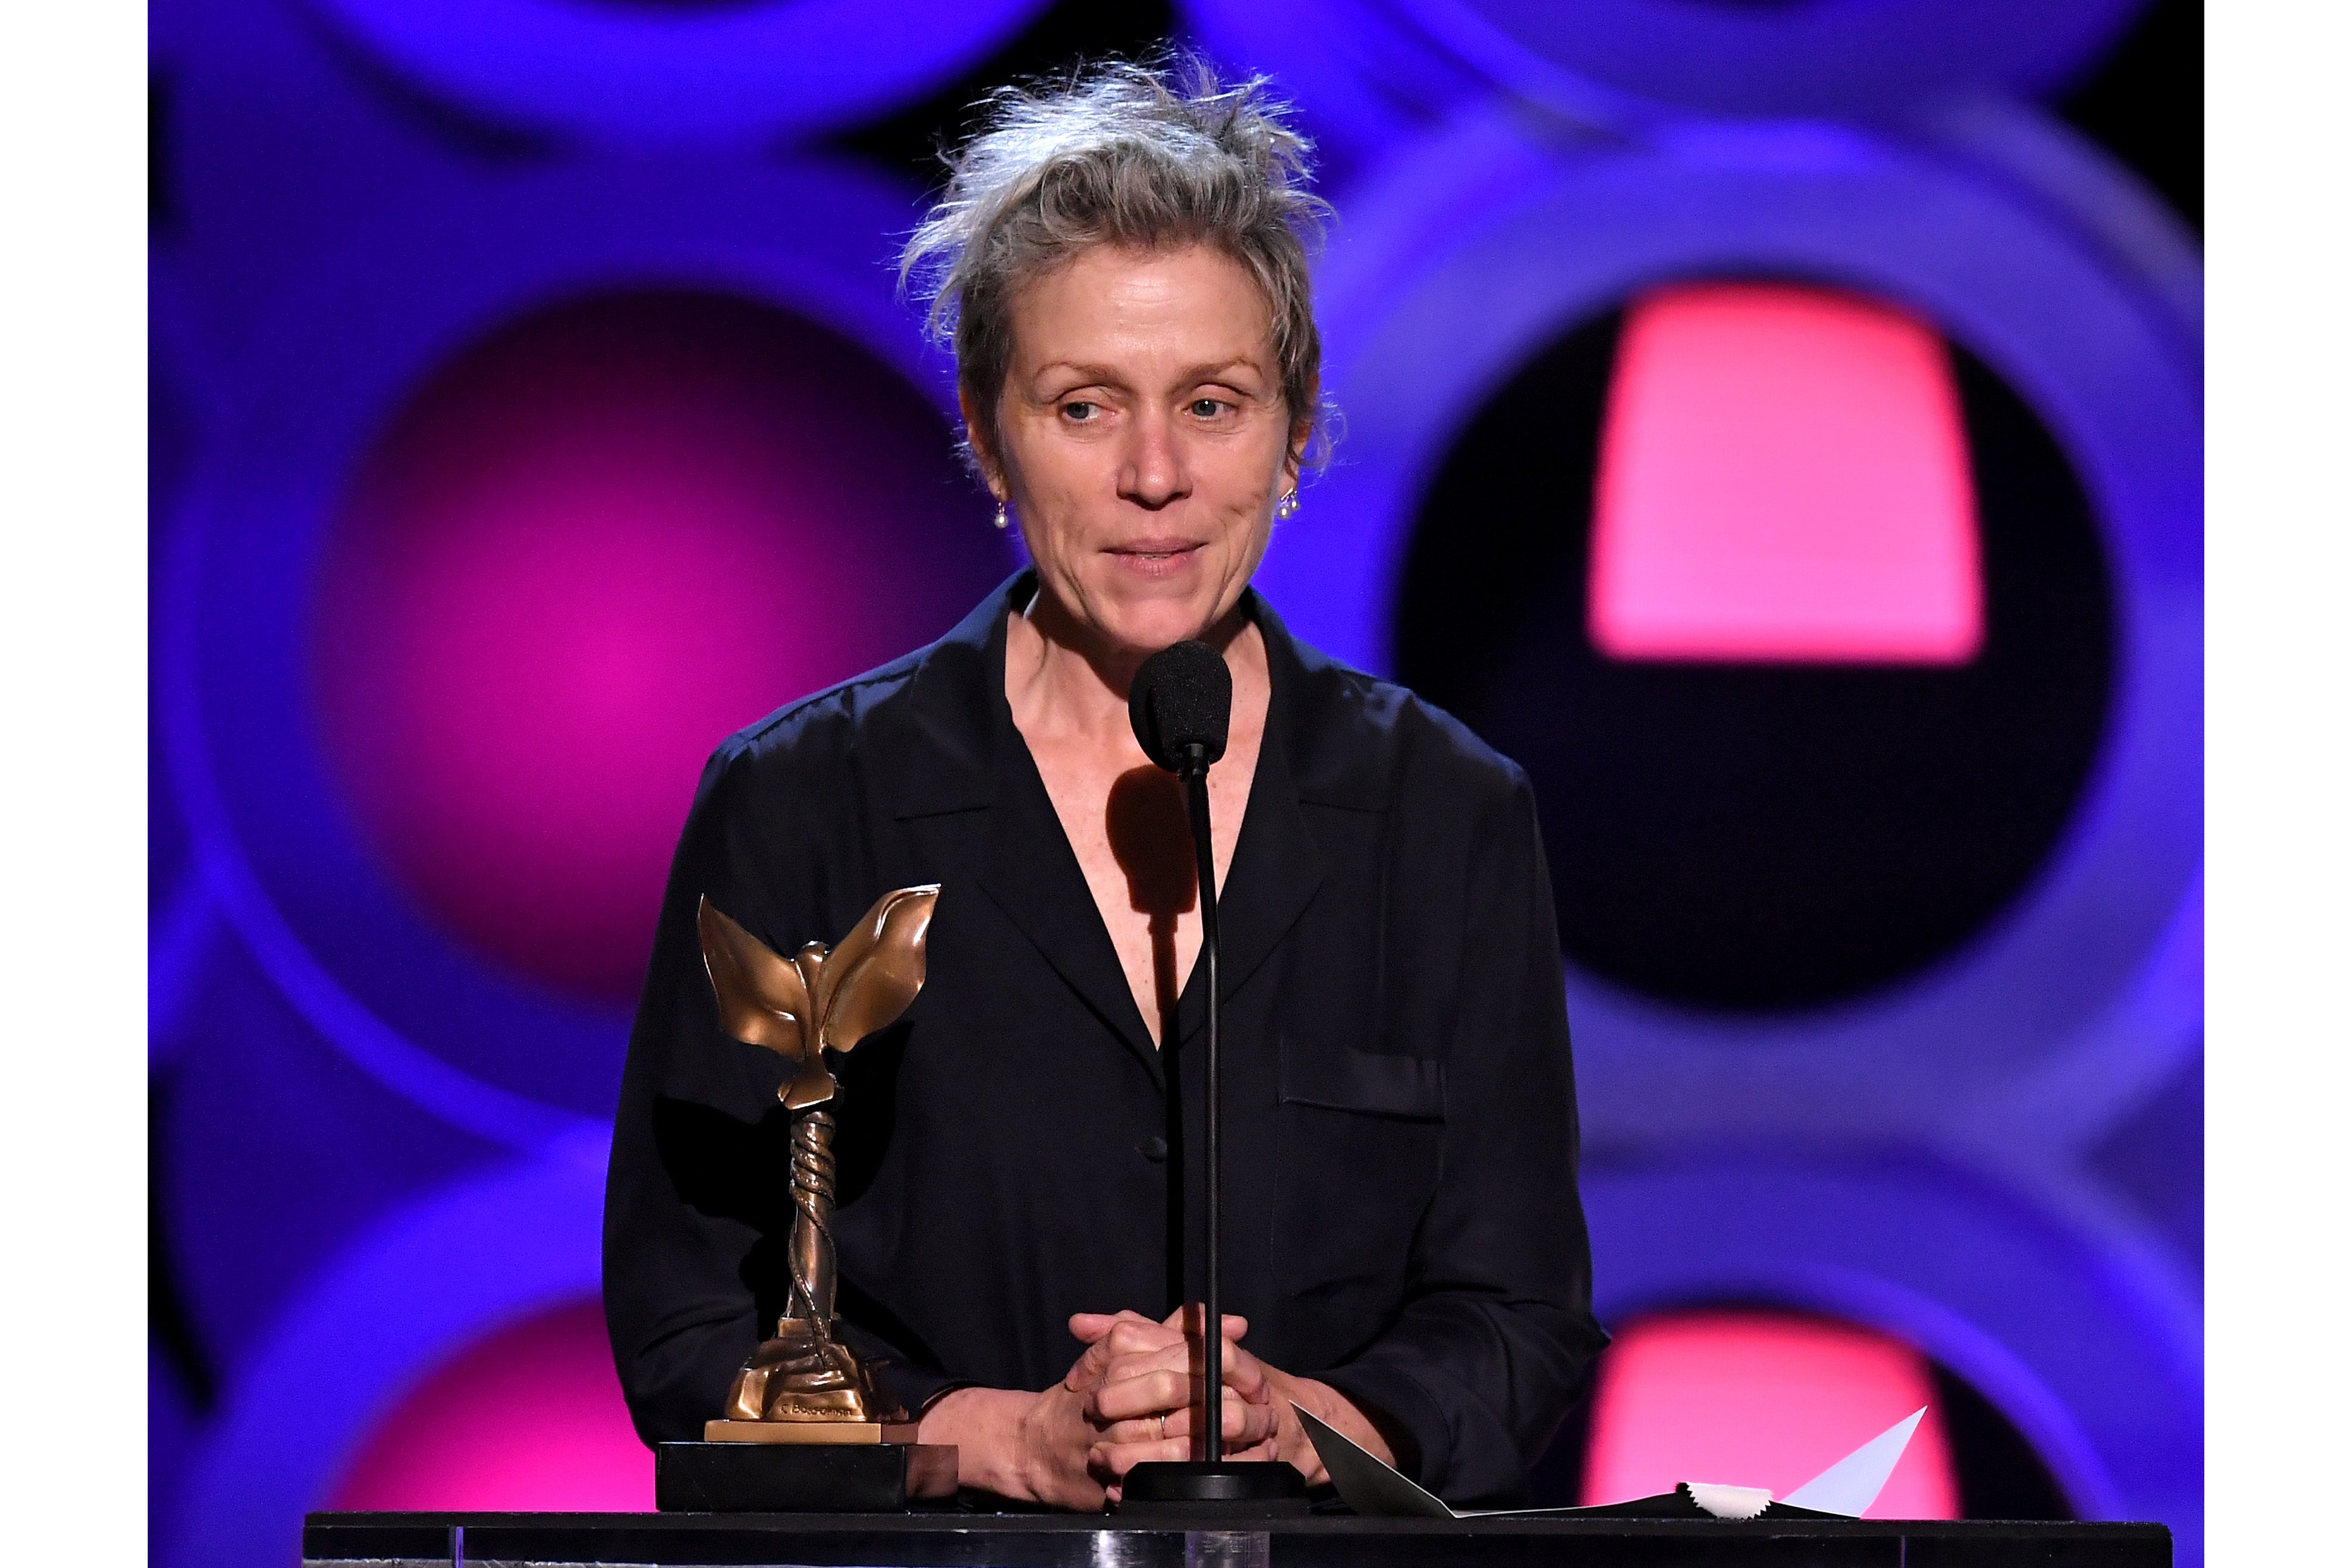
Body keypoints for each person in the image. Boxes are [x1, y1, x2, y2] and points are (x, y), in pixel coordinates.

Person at [602, 55, 1606, 1510]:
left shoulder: (1443, 812)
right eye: (1085, 407)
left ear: (1296, 431)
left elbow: (1517, 1316)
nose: (1156, 474)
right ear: (983, 430)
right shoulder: (806, 798)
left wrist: (1304, 1416)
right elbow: (690, 1316)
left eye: (1212, 403)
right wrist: (991, 1439)